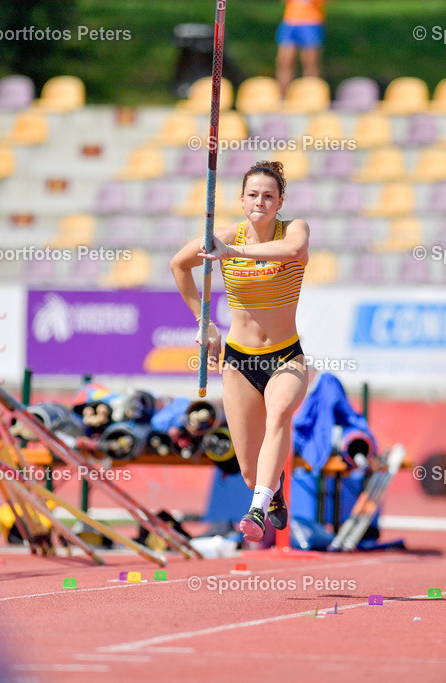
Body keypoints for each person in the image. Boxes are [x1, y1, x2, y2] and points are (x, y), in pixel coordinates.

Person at [170, 161, 310, 541]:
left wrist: (229, 251)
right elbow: (179, 266)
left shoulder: (293, 230)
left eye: (268, 195)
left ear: (280, 200)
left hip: (285, 357)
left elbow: (291, 249)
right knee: (250, 471)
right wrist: (205, 323)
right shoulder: (224, 235)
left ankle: (257, 509)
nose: (260, 201)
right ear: (241, 199)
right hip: (238, 362)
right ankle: (271, 490)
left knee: (280, 410)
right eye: (253, 194)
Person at [275, 0, 326, 95]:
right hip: (290, 20)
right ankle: (282, 97)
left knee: (310, 62)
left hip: (311, 21)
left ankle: (311, 95)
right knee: (284, 61)